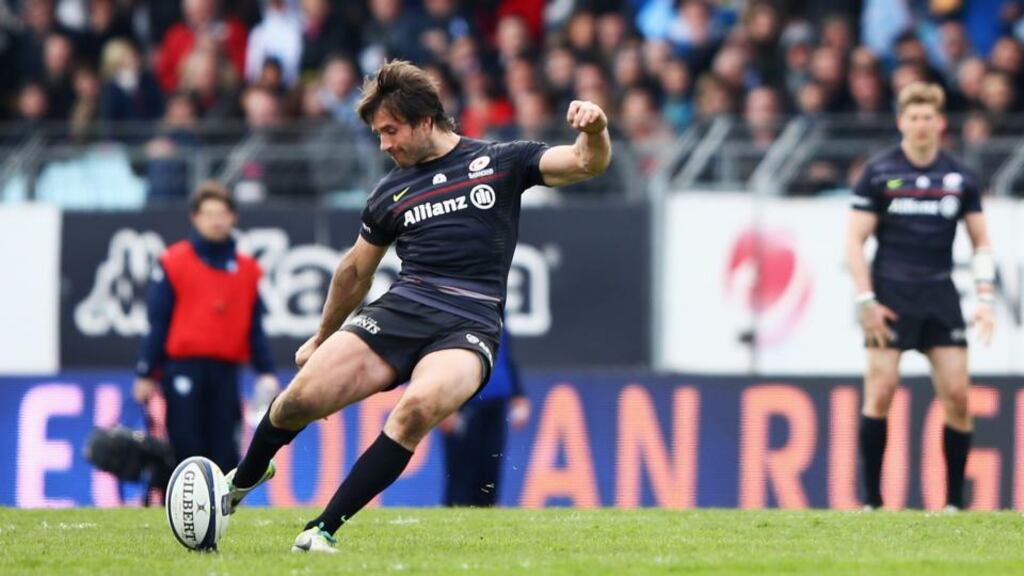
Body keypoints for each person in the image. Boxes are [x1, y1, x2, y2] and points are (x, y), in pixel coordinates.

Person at [224, 59, 611, 553]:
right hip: (404, 306)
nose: (384, 145)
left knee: (415, 409)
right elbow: (353, 272)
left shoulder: (502, 161)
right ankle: (237, 486)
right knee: (300, 398)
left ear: (426, 120)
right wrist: (322, 338)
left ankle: (321, 529)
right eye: (378, 134)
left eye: (391, 131)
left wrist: (596, 130)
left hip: (470, 321)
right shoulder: (389, 192)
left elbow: (585, 163)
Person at [846, 82, 995, 512]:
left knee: (958, 396)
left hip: (939, 293)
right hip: (890, 294)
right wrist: (865, 300)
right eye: (913, 117)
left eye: (928, 117)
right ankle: (872, 503)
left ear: (940, 122)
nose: (921, 125)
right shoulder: (879, 173)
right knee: (881, 390)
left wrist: (984, 296)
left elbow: (981, 242)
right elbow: (854, 241)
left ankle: (953, 505)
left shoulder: (960, 176)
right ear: (901, 122)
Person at [133, 182, 280, 476]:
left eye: (222, 213)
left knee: (226, 450)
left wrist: (265, 371)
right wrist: (147, 372)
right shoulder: (174, 261)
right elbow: (158, 322)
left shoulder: (247, 269)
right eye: (208, 213)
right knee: (185, 447)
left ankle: (220, 515)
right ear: (195, 218)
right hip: (184, 369)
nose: (216, 220)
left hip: (226, 372)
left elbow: (254, 326)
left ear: (233, 217)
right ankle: (181, 515)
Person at [439, 326, 530, 507]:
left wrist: (518, 394)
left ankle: (487, 519)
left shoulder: (496, 309)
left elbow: (505, 352)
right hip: (462, 401)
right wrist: (443, 406)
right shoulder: (452, 310)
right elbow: (438, 358)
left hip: (496, 401)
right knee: (461, 474)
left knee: (490, 469)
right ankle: (453, 524)